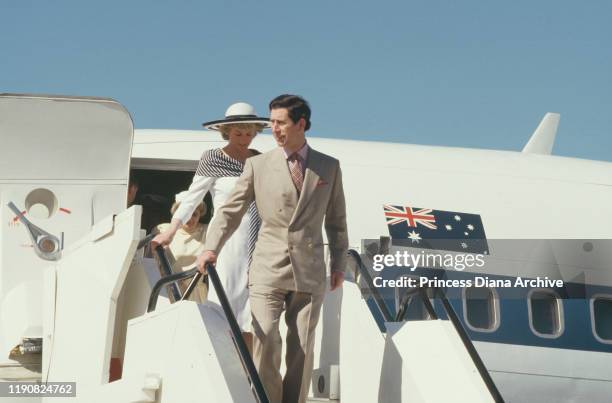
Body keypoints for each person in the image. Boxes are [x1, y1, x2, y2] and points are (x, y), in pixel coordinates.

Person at [198, 94, 348, 403]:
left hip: (309, 269)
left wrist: (338, 264)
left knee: (302, 348)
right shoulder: (258, 165)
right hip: (267, 267)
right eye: (272, 123)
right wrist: (210, 247)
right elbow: (230, 211)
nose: (274, 129)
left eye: (280, 123)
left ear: (301, 124)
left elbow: (336, 221)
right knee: (265, 338)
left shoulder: (328, 167)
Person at [151, 102, 269, 351]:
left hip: (260, 237)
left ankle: (251, 371)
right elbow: (192, 198)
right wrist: (170, 232)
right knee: (227, 296)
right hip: (228, 238)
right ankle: (226, 359)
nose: (244, 139)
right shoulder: (213, 158)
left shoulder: (259, 159)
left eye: (249, 133)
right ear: (226, 132)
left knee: (254, 305)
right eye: (239, 133)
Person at [156, 191, 208, 303]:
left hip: (197, 291)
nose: (190, 218)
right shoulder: (163, 230)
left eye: (195, 214)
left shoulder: (207, 231)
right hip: (170, 290)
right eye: (187, 214)